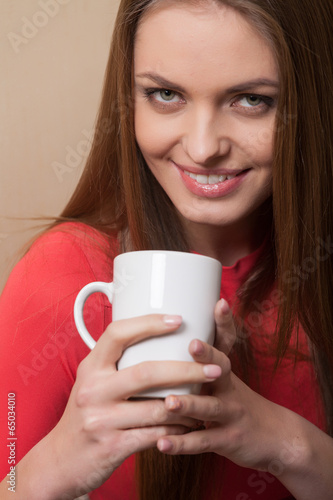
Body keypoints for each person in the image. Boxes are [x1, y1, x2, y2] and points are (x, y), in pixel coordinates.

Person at [0, 0, 332, 498]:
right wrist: (55, 462)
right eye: (165, 94)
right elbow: (6, 473)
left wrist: (286, 445)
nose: (202, 148)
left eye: (251, 100)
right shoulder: (60, 276)